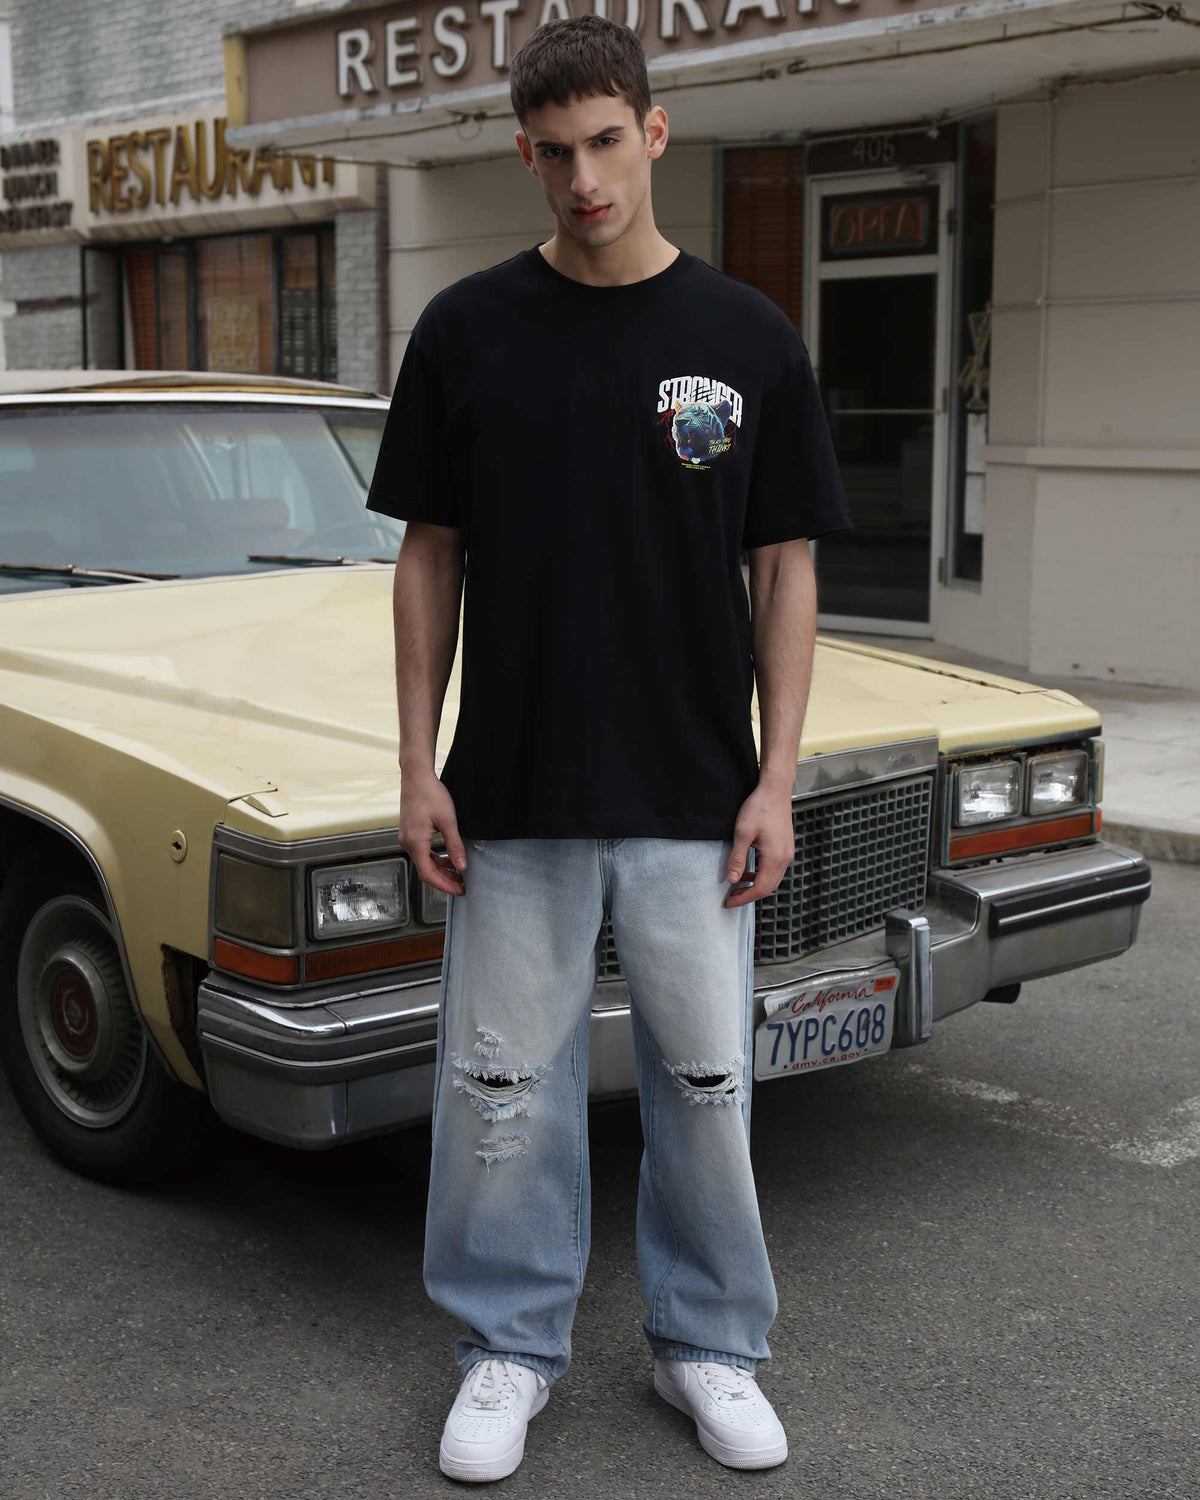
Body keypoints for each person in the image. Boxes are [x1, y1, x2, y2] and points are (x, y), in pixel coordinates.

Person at [364, 14, 852, 1483]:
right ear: (526, 154)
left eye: (604, 142)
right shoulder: (468, 333)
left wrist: (774, 777)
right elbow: (427, 559)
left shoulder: (747, 341)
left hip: (697, 792)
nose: (583, 177)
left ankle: (710, 1345)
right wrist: (414, 764)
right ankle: (506, 1348)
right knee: (502, 1096)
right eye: (553, 151)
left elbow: (786, 572)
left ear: (653, 132)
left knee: (709, 1086)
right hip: (512, 791)